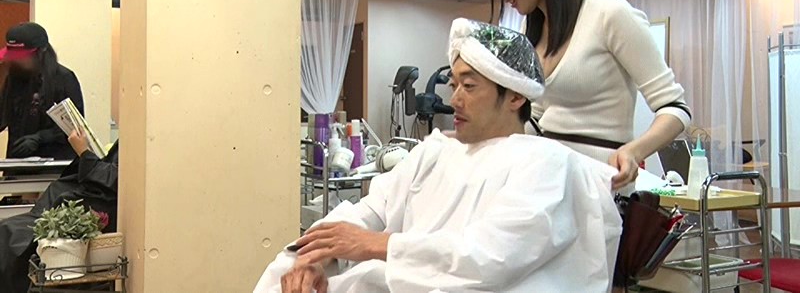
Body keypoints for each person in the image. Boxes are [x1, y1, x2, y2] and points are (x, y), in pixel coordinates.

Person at [254, 19, 622, 293]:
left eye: (470, 86)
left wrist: (377, 245)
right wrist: (317, 258)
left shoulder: (544, 163)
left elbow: (492, 255)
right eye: (454, 84)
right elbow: (370, 211)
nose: (455, 99)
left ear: (515, 96)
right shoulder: (435, 152)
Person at [470, 0, 692, 190]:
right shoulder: (531, 28)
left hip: (602, 188)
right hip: (550, 185)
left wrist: (634, 151)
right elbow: (538, 116)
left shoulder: (609, 14)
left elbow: (676, 108)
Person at [0, 130, 119, 293]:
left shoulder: (138, 143)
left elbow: (117, 179)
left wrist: (84, 152)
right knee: (8, 229)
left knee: (9, 234)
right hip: (66, 202)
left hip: (94, 206)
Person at [0, 22, 84, 160]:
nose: (17, 61)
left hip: (55, 163)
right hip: (18, 162)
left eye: (22, 56)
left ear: (41, 50)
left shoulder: (63, 78)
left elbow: (75, 126)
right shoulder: (13, 79)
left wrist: (40, 138)